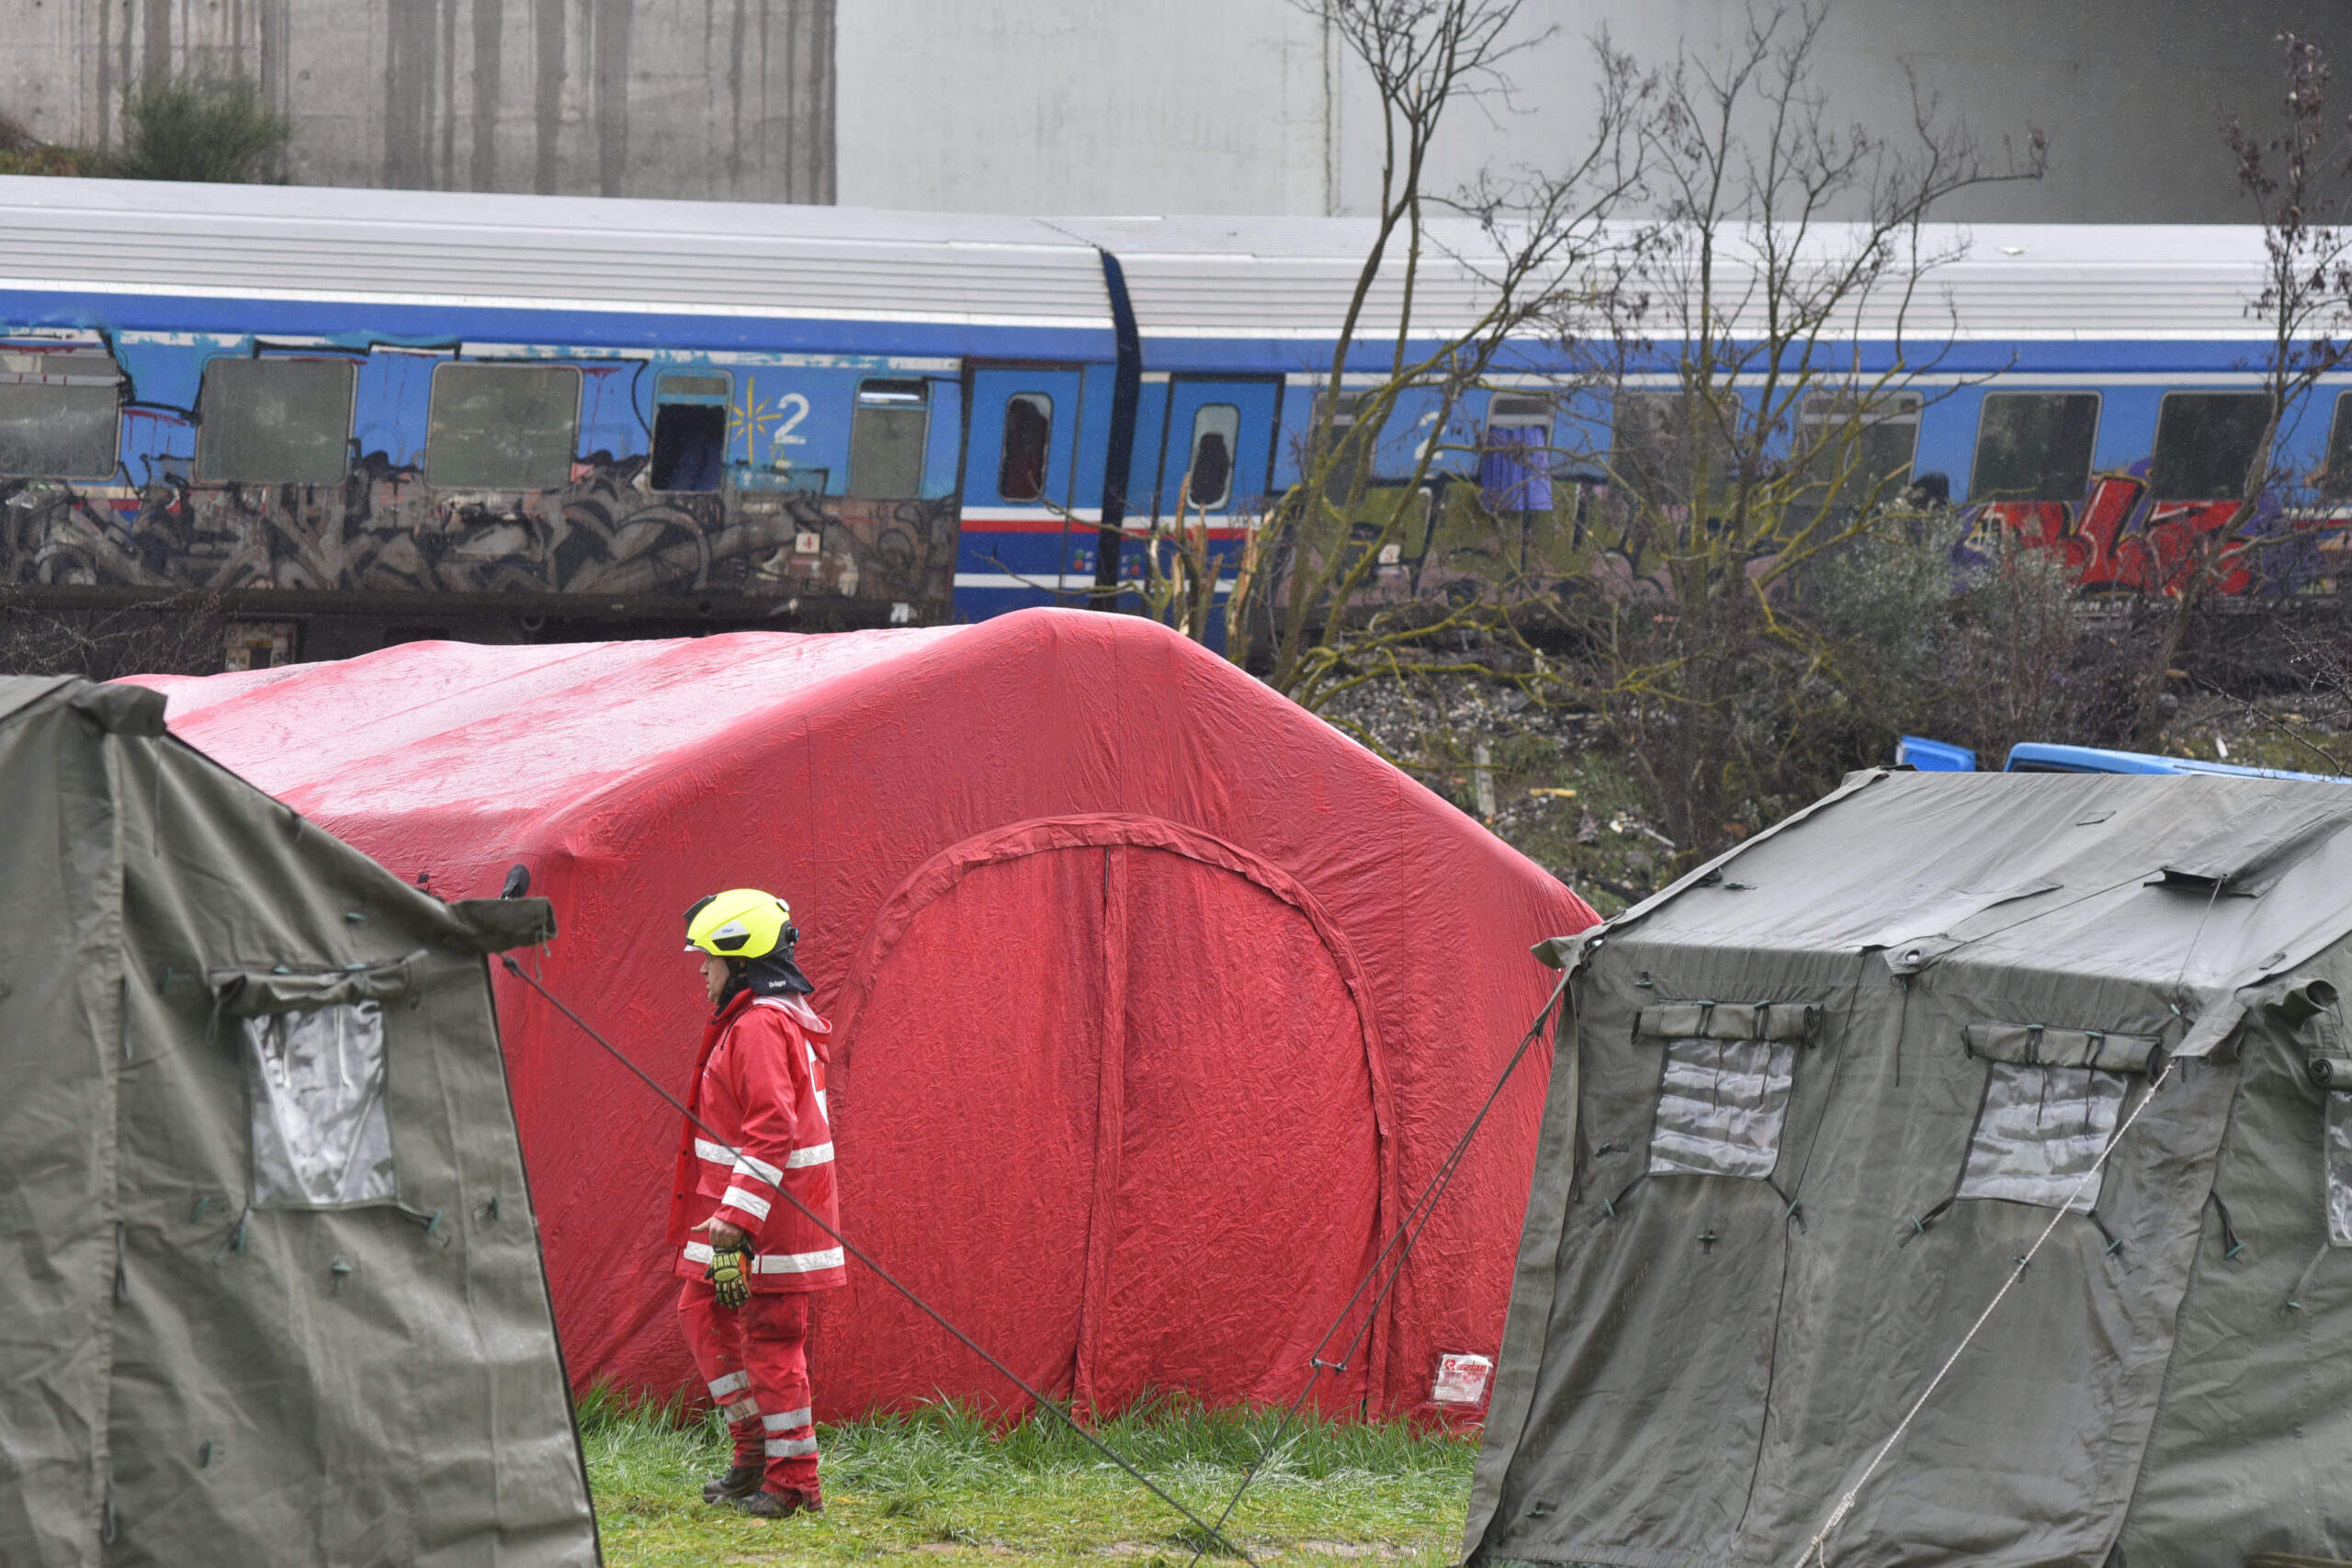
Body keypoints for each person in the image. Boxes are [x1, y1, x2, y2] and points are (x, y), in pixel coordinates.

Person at [669, 888, 845, 1517]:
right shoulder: (756, 1018)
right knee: (702, 1308)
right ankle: (754, 1452)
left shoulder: (761, 1025)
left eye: (709, 958)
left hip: (767, 1226)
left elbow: (773, 1129)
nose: (701, 970)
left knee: (773, 1342)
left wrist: (739, 1220)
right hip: (734, 1220)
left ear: (740, 964)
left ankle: (793, 1479)